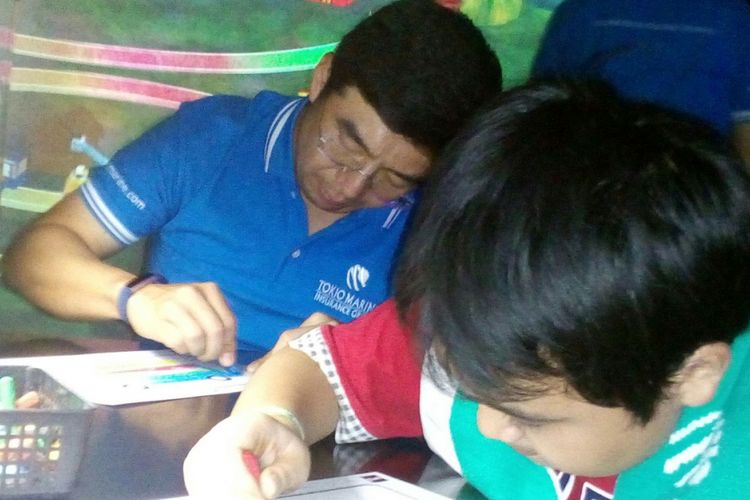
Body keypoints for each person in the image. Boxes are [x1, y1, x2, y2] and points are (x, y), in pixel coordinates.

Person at [182, 80, 750, 499]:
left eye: (531, 416)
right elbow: (318, 368)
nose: (484, 426)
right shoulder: (475, 321)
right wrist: (273, 420)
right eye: (466, 382)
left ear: (690, 374)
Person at [1, 0, 502, 365]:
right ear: (323, 79)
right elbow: (33, 257)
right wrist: (138, 299)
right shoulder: (214, 140)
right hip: (166, 419)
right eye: (345, 147)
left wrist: (339, 371)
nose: (350, 189)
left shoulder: (441, 216)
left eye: (394, 179)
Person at [531, 0, 750, 167]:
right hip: (697, 199)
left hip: (598, 189)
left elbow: (536, 118)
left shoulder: (583, 11)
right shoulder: (734, 18)